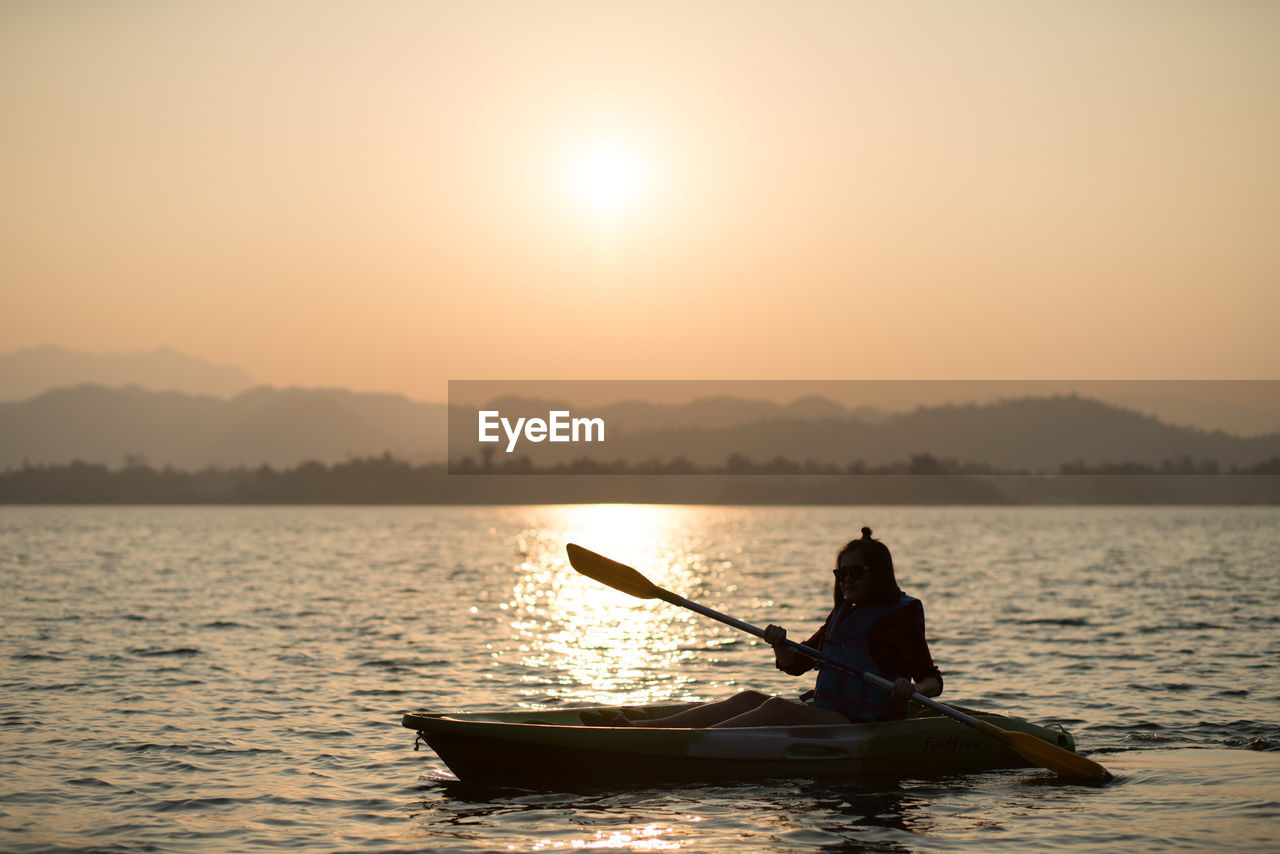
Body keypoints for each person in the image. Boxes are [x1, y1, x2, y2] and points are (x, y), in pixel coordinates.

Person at [592, 527, 942, 728]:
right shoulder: (844, 614)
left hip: (865, 723)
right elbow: (797, 665)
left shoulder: (901, 615)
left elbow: (931, 679)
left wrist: (913, 691)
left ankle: (660, 740)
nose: (846, 580)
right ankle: (644, 730)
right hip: (828, 713)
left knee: (775, 708)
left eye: (856, 573)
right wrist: (780, 645)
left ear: (877, 574)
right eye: (841, 573)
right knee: (747, 698)